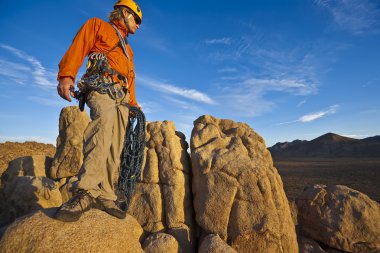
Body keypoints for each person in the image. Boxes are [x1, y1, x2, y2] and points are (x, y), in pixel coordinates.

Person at [56, 0, 142, 222]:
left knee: (116, 143)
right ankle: (86, 190)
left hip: (121, 97)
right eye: (136, 19)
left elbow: (130, 77)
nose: (139, 25)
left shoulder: (128, 49)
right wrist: (67, 76)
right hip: (101, 87)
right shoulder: (97, 26)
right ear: (124, 14)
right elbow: (79, 47)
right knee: (101, 130)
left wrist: (133, 102)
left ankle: (105, 194)